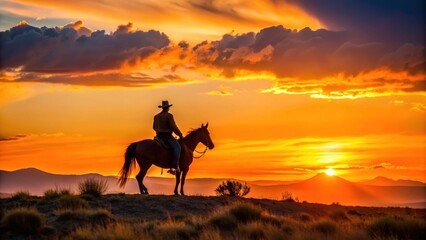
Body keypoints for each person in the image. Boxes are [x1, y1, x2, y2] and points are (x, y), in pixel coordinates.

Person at [153, 100, 183, 175]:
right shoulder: (169, 116)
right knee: (177, 147)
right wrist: (180, 134)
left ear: (162, 107)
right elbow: (174, 127)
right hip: (167, 136)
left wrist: (159, 130)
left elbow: (153, 127)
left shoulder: (156, 116)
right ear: (168, 108)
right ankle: (174, 166)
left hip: (158, 137)